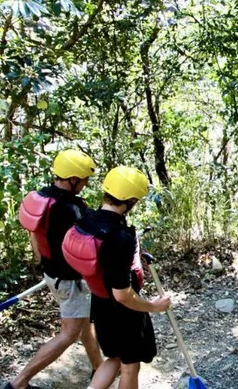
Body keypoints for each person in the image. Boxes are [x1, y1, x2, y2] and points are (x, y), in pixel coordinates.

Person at [63, 166, 172, 389]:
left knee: (113, 358)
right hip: (123, 312)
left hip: (100, 305)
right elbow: (122, 295)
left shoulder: (86, 220)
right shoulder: (119, 237)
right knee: (130, 366)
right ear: (130, 200)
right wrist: (153, 306)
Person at [3, 149, 102, 389]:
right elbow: (93, 237)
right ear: (73, 179)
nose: (86, 184)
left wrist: (44, 261)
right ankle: (18, 383)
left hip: (52, 274)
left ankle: (99, 368)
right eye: (84, 179)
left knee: (85, 323)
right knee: (69, 333)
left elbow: (33, 232)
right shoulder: (71, 208)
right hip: (69, 281)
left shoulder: (41, 197)